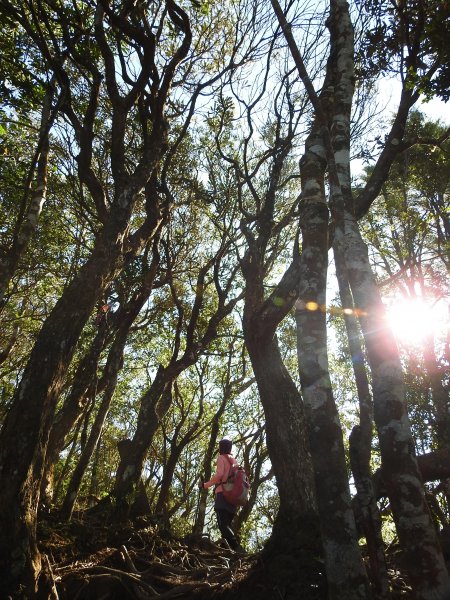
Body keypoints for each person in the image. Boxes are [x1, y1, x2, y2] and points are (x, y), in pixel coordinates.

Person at [200, 438, 241, 550]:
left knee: (223, 526)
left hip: (223, 495)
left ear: (221, 447)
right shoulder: (234, 460)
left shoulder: (221, 458)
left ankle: (237, 548)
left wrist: (205, 485)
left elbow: (219, 475)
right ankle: (229, 551)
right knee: (227, 525)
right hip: (234, 497)